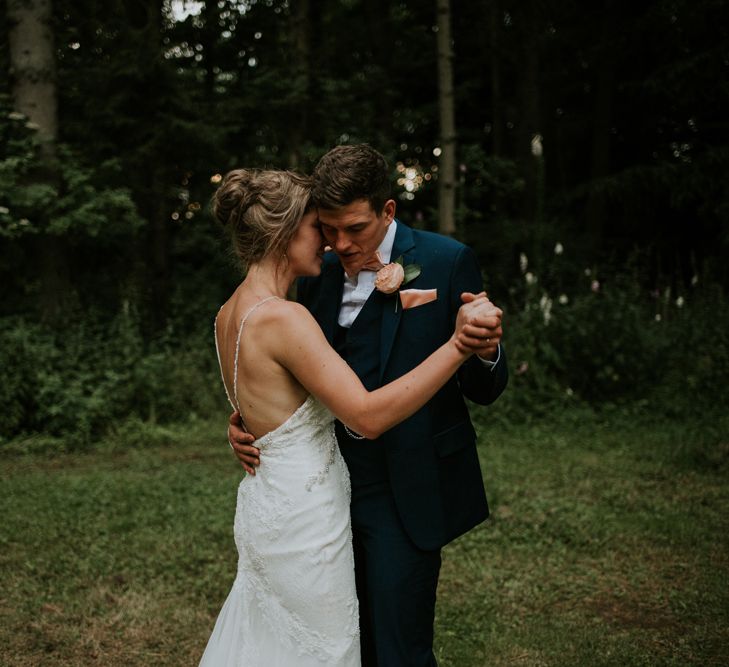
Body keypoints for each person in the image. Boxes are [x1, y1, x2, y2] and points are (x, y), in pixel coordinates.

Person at [199, 167, 500, 666]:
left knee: (377, 648)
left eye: (350, 229)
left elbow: (281, 382)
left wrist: (482, 347)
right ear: (286, 232)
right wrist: (456, 347)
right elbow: (356, 410)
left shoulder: (447, 261)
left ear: (387, 212)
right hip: (313, 508)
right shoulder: (297, 300)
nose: (334, 244)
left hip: (393, 491)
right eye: (322, 228)